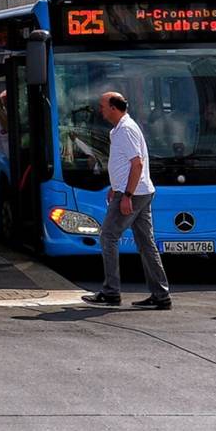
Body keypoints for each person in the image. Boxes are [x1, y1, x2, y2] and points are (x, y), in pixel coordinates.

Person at [82, 91, 171, 310]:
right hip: (138, 191)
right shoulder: (120, 129)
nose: (100, 110)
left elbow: (137, 164)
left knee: (108, 237)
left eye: (102, 106)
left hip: (133, 193)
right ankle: (161, 295)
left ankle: (111, 292)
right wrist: (115, 187)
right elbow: (124, 163)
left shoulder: (126, 130)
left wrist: (127, 195)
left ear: (113, 108)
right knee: (146, 243)